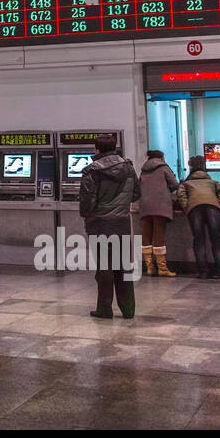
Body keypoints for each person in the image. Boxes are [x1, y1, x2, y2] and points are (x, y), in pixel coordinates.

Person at [78, 134, 138, 319]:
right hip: (121, 223)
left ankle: (104, 309)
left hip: (100, 224)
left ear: (97, 149)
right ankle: (128, 309)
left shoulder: (92, 171)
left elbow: (87, 201)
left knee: (105, 268)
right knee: (123, 268)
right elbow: (136, 194)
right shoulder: (128, 168)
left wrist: (87, 214)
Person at [176, 155, 220, 279]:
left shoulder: (186, 183)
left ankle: (203, 271)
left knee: (199, 239)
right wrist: (219, 203)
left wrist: (187, 207)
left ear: (191, 167)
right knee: (216, 239)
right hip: (213, 208)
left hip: (194, 209)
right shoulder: (212, 182)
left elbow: (180, 194)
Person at [137, 149, 179, 277]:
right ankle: (162, 268)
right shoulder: (164, 168)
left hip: (145, 205)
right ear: (161, 158)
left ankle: (150, 267)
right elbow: (175, 185)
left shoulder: (143, 170)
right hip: (160, 204)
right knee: (159, 235)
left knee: (146, 235)